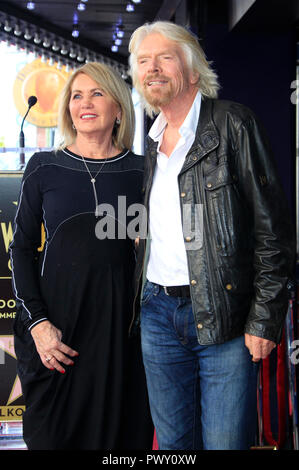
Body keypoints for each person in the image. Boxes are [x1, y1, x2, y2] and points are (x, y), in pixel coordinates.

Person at [128, 21, 295, 450]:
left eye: (165, 57)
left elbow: (273, 231)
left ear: (193, 70)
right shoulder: (151, 143)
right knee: (173, 446)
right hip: (158, 317)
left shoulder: (234, 124)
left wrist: (264, 319)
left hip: (224, 318)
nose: (152, 68)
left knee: (225, 443)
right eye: (143, 61)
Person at [10, 62, 153, 450]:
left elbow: (149, 249)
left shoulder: (142, 171)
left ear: (119, 108)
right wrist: (38, 325)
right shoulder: (44, 167)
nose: (84, 103)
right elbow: (21, 249)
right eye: (76, 95)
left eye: (97, 93)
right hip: (58, 336)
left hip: (121, 339)